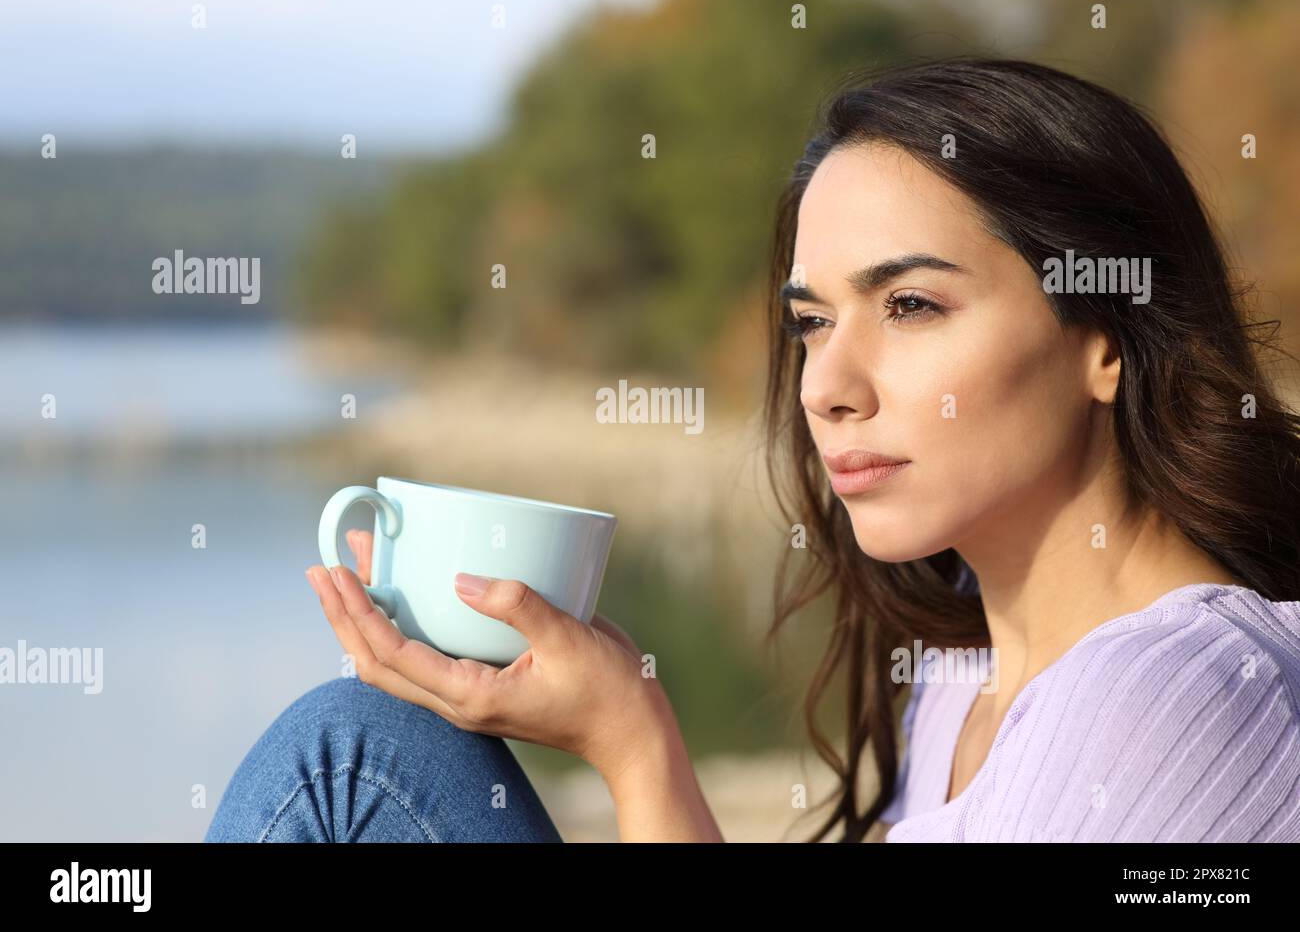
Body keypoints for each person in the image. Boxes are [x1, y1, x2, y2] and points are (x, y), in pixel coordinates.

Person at [206, 58, 1300, 843]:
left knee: (345, 759)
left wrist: (632, 753)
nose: (825, 385)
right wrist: (632, 737)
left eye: (911, 304)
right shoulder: (962, 679)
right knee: (358, 737)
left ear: (1103, 341)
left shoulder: (1175, 690)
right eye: (810, 322)